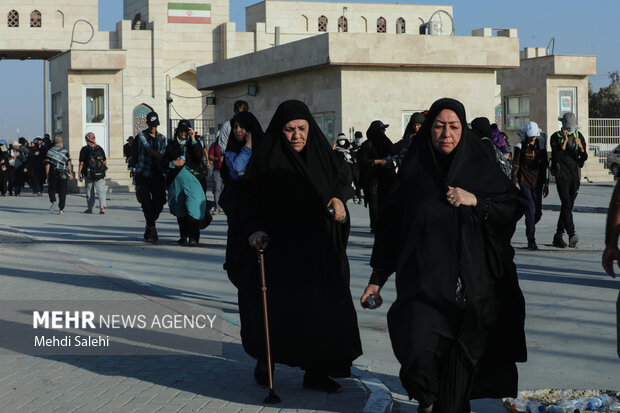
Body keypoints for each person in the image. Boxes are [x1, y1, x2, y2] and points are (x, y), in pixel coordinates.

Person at [360, 98, 527, 412]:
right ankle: (427, 398)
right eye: (439, 126)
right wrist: (377, 279)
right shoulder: (413, 173)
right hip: (423, 287)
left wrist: (475, 199)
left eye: (453, 127)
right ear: (427, 130)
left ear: (463, 129)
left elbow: (514, 205)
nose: (446, 134)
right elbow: (391, 232)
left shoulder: (480, 165)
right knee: (418, 353)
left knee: (456, 383)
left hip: (471, 292)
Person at [237, 100, 362, 393]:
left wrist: (340, 200)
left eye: (302, 129)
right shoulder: (266, 160)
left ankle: (317, 372)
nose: (296, 136)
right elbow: (247, 200)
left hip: (320, 251)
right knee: (279, 311)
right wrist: (254, 229)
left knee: (322, 311)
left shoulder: (323, 156)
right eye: (290, 129)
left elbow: (343, 182)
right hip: (281, 251)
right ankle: (267, 358)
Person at [220, 111, 264, 278]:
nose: (237, 130)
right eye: (235, 127)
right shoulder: (231, 151)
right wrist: (248, 147)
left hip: (258, 206)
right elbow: (238, 170)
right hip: (239, 208)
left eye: (242, 127)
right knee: (239, 255)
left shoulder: (263, 148)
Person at [164, 119, 210, 246]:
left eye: (186, 131)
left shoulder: (194, 143)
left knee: (193, 207)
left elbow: (198, 155)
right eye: (181, 131)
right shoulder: (172, 144)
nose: (183, 134)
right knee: (180, 209)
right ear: (177, 131)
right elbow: (164, 162)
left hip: (194, 180)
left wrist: (193, 138)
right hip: (176, 181)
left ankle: (194, 237)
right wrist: (173, 163)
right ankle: (183, 235)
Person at [550, 112, 588, 248]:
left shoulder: (579, 136)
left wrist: (581, 147)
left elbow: (583, 159)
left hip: (574, 177)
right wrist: (565, 142)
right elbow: (556, 157)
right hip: (561, 176)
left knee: (567, 207)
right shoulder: (556, 137)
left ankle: (558, 236)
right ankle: (572, 234)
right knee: (566, 204)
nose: (569, 131)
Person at [512, 121, 549, 250]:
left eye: (534, 136)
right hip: (524, 182)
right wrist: (513, 184)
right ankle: (531, 239)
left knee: (537, 213)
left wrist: (546, 184)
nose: (533, 138)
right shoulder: (520, 146)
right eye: (530, 136)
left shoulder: (541, 147)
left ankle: (530, 224)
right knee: (530, 210)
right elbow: (515, 166)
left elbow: (544, 167)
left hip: (538, 183)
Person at [134, 111, 167, 242]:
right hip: (143, 173)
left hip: (157, 173)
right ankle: (153, 229)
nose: (153, 127)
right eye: (151, 125)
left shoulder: (162, 138)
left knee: (159, 202)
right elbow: (149, 150)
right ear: (147, 124)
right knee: (146, 203)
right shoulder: (141, 135)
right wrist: (164, 158)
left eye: (155, 125)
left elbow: (164, 151)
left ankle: (149, 225)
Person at [357, 120, 396, 233]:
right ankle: (375, 226)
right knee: (374, 205)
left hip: (386, 178)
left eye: (384, 130)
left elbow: (394, 152)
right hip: (372, 180)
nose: (383, 132)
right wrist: (378, 161)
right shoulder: (367, 144)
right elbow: (363, 161)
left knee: (386, 203)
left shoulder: (387, 142)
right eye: (381, 129)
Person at [78, 132, 108, 214]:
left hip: (89, 174)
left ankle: (90, 208)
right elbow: (104, 161)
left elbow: (81, 163)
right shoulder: (100, 148)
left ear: (86, 139)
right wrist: (100, 169)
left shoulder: (84, 149)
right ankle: (102, 207)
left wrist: (79, 174)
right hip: (99, 174)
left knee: (89, 191)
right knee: (101, 190)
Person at [45, 135, 74, 214]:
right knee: (62, 191)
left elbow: (47, 164)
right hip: (63, 173)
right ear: (61, 142)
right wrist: (70, 173)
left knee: (51, 189)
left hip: (53, 173)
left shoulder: (50, 151)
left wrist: (47, 175)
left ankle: (53, 201)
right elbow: (68, 163)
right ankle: (61, 209)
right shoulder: (65, 151)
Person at [208, 133, 224, 214]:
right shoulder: (214, 145)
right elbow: (210, 156)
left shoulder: (229, 145)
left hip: (227, 171)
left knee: (226, 190)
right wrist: (218, 158)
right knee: (217, 188)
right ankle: (217, 208)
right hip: (217, 171)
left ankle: (226, 207)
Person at [350, 131, 364, 204]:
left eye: (359, 138)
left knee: (362, 183)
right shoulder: (352, 145)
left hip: (362, 167)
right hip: (354, 167)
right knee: (356, 182)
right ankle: (358, 198)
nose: (358, 139)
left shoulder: (364, 145)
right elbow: (349, 154)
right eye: (357, 138)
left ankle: (355, 194)